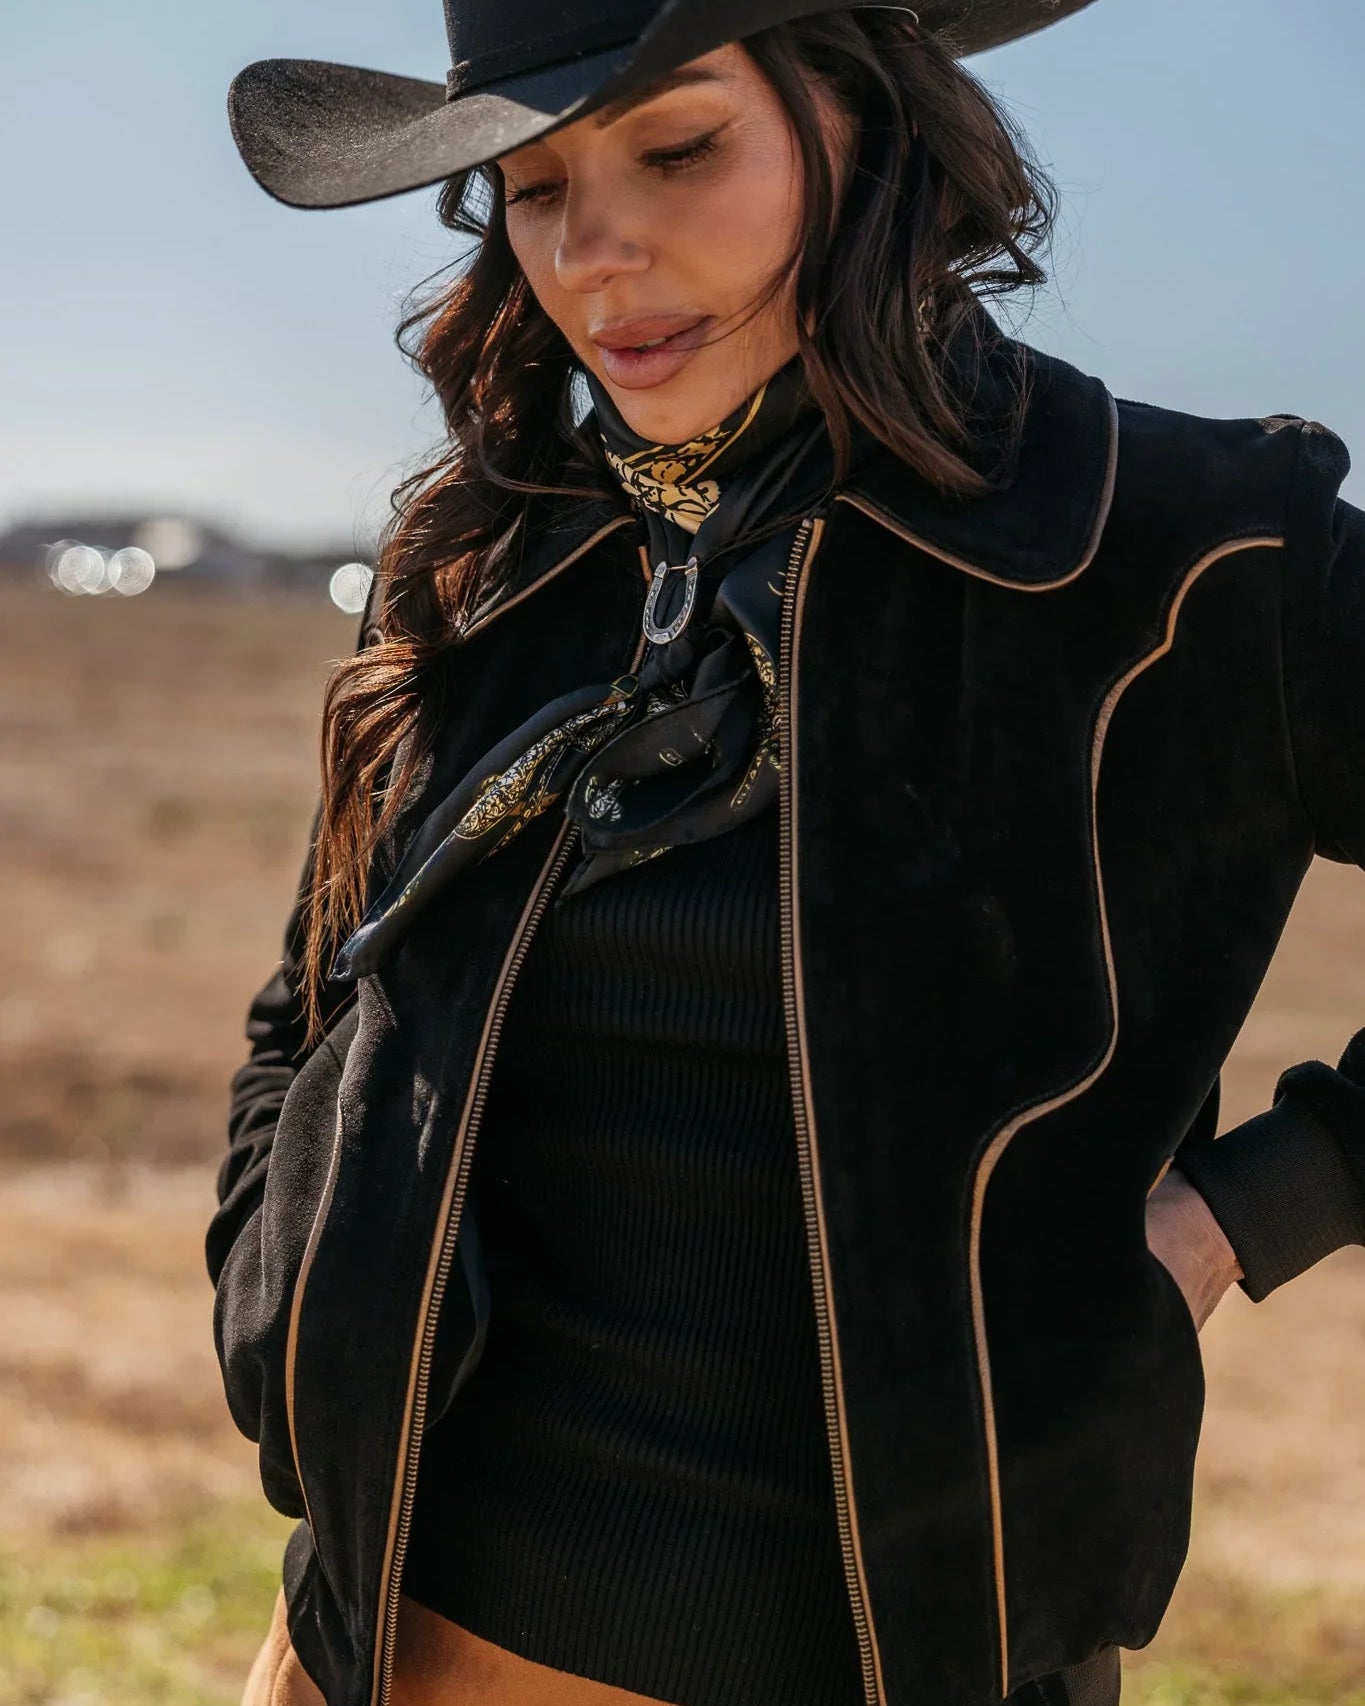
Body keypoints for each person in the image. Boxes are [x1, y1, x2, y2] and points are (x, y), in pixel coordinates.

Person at [209, 3, 1365, 1704]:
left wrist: (1247, 1208)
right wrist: (276, 1273)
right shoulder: (490, 555)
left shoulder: (1185, 555)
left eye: (677, 147)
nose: (596, 252)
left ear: (865, 120)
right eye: (528, 186)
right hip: (358, 1643)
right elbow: (316, 1000)